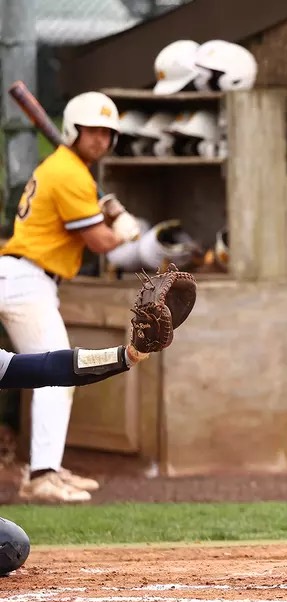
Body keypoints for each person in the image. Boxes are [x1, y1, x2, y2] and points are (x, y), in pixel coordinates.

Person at [0, 91, 143, 502]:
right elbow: (98, 241)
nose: (99, 140)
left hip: (27, 277)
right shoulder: (70, 172)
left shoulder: (66, 168)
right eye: (92, 131)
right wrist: (127, 234)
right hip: (25, 278)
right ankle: (42, 474)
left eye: (106, 133)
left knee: (54, 375)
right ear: (73, 131)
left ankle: (49, 467)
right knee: (55, 373)